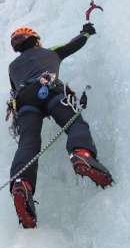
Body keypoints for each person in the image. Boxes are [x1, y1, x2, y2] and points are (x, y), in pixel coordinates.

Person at [7, 24, 113, 228]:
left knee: (28, 142)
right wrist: (88, 31)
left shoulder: (12, 67)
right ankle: (82, 154)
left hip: (24, 102)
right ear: (35, 40)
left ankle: (22, 183)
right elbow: (75, 43)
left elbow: (14, 88)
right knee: (74, 123)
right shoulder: (49, 52)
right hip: (50, 89)